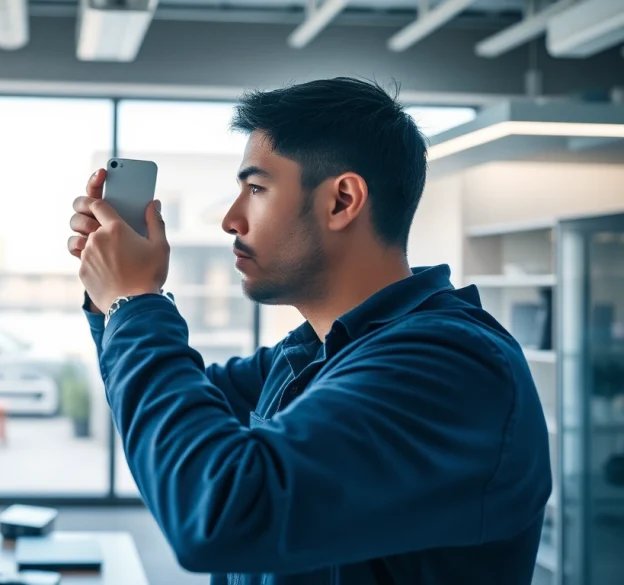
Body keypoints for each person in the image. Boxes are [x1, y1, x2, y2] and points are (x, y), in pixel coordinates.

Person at [66, 78, 552, 585]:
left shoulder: (450, 366)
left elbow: (217, 512)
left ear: (342, 200)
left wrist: (135, 302)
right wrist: (112, 306)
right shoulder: (317, 350)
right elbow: (177, 421)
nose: (231, 220)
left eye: (255, 189)